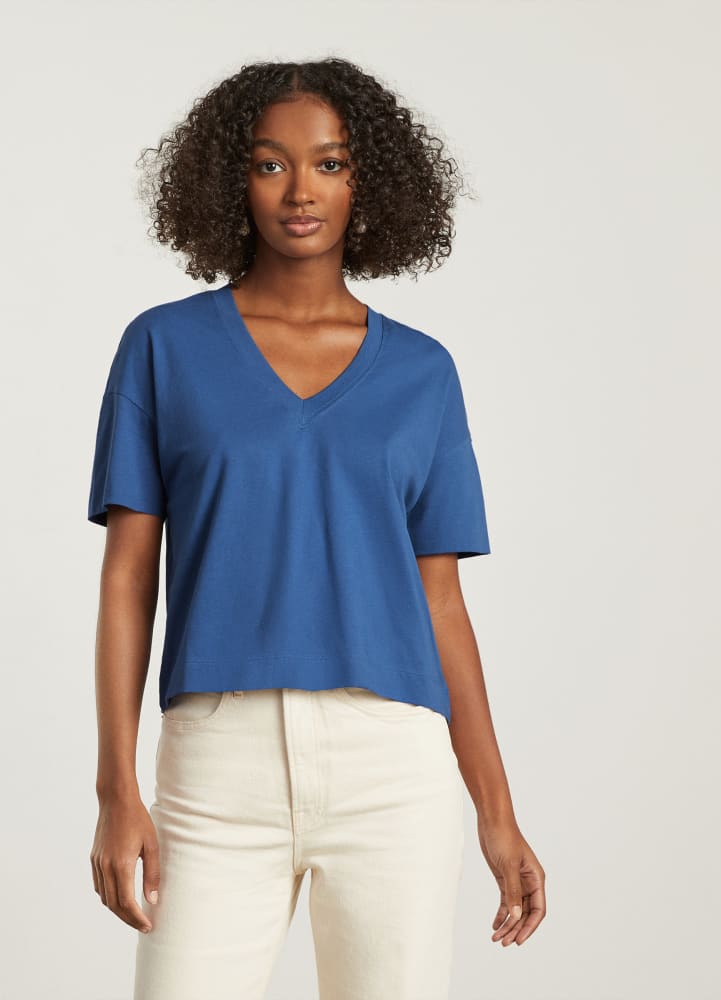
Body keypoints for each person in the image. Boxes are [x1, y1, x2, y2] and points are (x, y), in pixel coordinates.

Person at [87, 57, 546, 1000]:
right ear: (232, 181)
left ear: (365, 181)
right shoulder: (163, 348)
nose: (300, 191)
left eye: (329, 164)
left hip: (392, 766)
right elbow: (129, 577)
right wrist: (115, 787)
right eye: (271, 164)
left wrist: (497, 814)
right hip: (216, 763)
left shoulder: (422, 373)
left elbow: (442, 605)